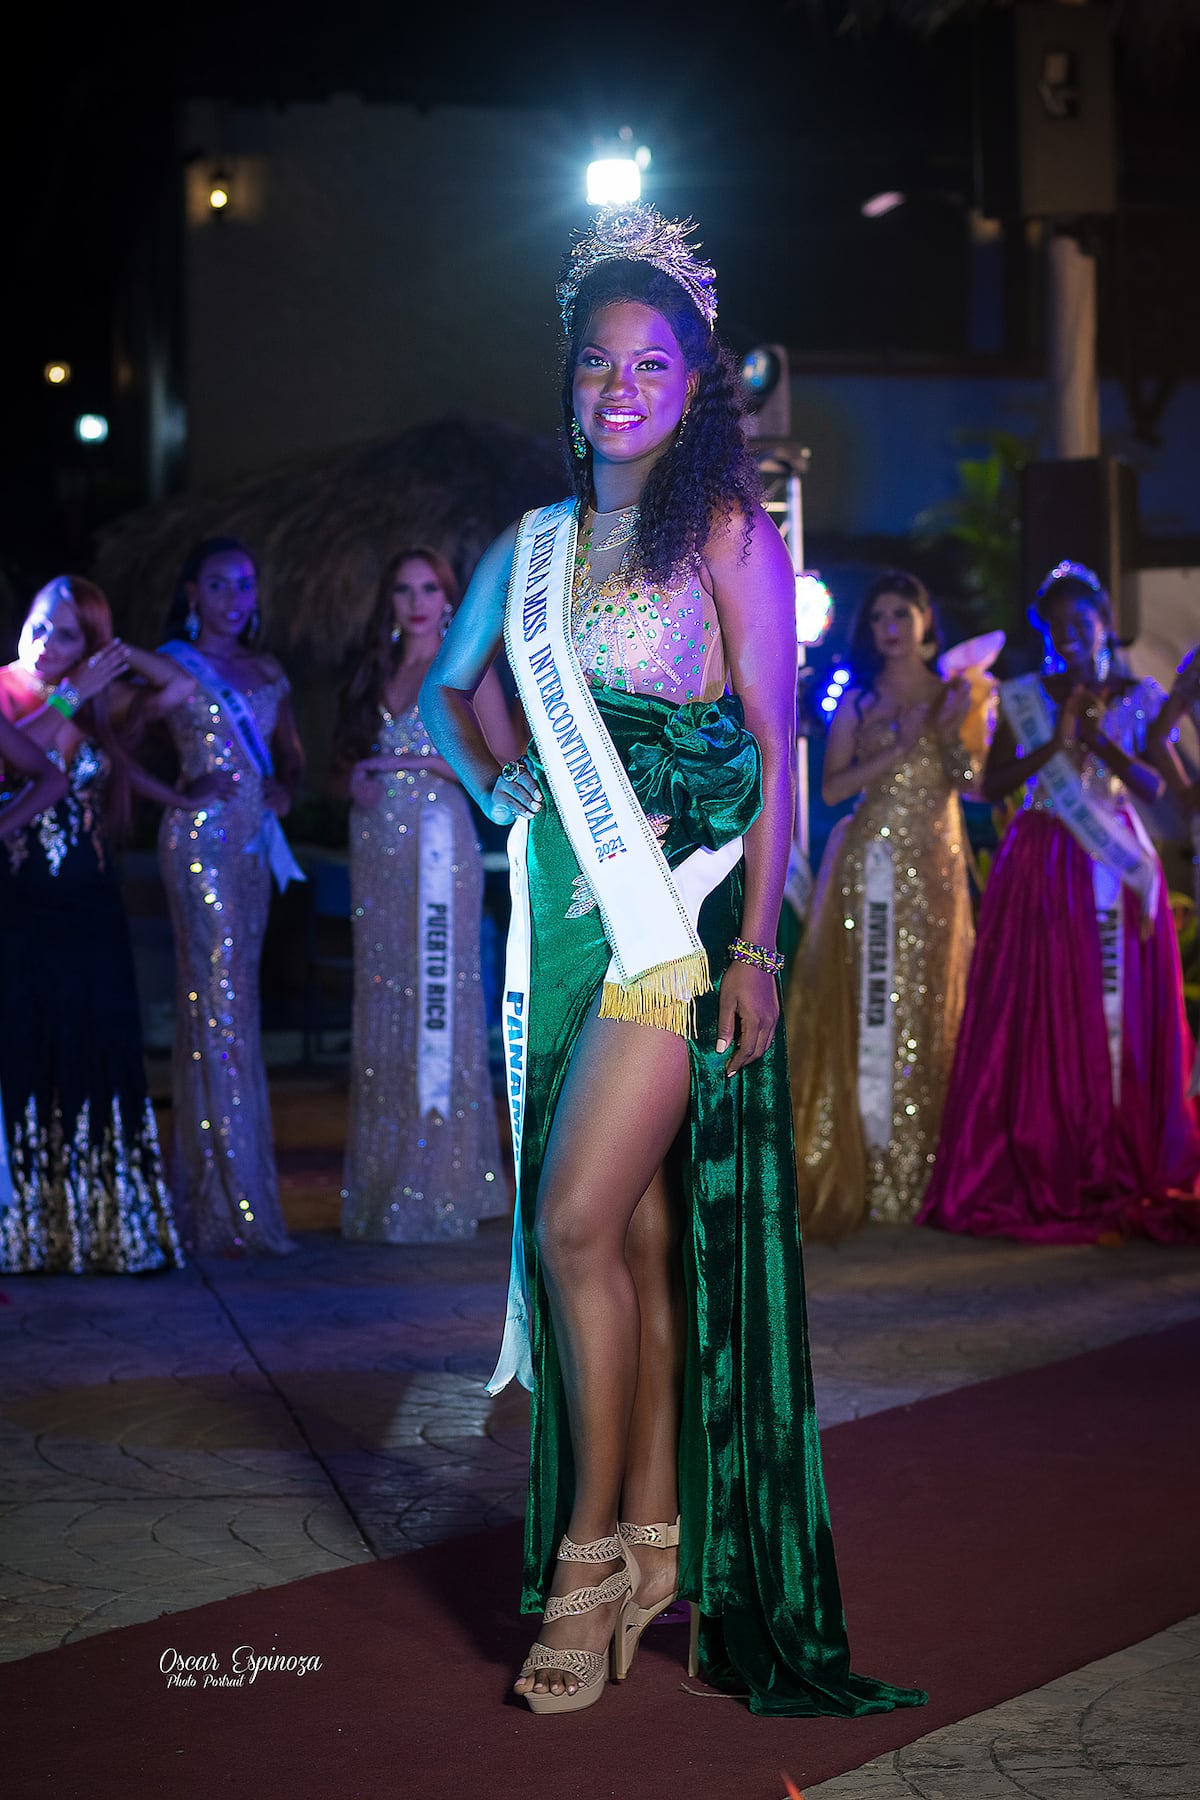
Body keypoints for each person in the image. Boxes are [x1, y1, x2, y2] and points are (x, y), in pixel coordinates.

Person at [421, 205, 925, 1720]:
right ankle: (649, 1541)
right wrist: (494, 772)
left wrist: (758, 947)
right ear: (567, 382)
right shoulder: (532, 548)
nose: (619, 387)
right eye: (595, 363)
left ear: (695, 384)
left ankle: (584, 1564)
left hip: (671, 928)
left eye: (651, 365)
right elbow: (450, 697)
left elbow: (772, 751)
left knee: (571, 1225)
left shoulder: (729, 534)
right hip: (559, 923)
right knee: (629, 1241)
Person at [918, 561, 1200, 1244]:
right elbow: (992, 784)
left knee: (1120, 1005)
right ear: (1044, 629)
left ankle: (1120, 1147)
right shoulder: (1022, 695)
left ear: (1106, 622)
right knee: (1047, 1005)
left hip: (1116, 860)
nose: (1073, 633)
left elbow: (1158, 790)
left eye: (1085, 620)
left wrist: (1097, 736)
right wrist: (1057, 734)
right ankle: (1052, 1149)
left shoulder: (1135, 693)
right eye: (1059, 623)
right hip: (1043, 861)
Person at [787, 573, 997, 1238]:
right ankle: (866, 1163)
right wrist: (902, 745)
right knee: (871, 1002)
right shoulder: (860, 698)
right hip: (872, 865)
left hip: (934, 868)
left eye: (901, 613)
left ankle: (925, 1170)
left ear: (926, 619)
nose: (889, 626)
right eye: (877, 615)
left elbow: (972, 783)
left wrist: (951, 725)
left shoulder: (958, 694)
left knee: (931, 1004)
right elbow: (829, 791)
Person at [0, 576, 189, 1273]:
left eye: (68, 633)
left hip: (92, 904)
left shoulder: (100, 699)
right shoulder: (9, 690)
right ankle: (29, 1233)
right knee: (28, 1050)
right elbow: (15, 756)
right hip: (20, 907)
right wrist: (66, 696)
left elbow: (178, 690)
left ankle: (104, 1232)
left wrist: (115, 656)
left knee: (99, 1051)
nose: (47, 642)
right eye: (40, 624)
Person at [333, 546, 514, 1241]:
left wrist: (403, 761)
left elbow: (498, 759)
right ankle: (384, 1182)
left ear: (448, 599)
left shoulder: (465, 669)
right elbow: (338, 760)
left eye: (429, 588)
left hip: (441, 847)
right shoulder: (376, 671)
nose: (416, 601)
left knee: (436, 1001)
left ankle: (439, 1183)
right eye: (403, 589)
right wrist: (354, 778)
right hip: (378, 853)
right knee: (386, 998)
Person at [158, 537, 306, 1255]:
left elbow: (294, 760)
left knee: (234, 1005)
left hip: (253, 850)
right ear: (192, 593)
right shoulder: (175, 664)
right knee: (214, 1006)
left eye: (243, 584)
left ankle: (235, 1192)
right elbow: (109, 737)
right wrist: (174, 790)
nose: (233, 598)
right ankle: (223, 1199)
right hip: (198, 847)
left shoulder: (269, 669)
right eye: (218, 585)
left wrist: (286, 789)